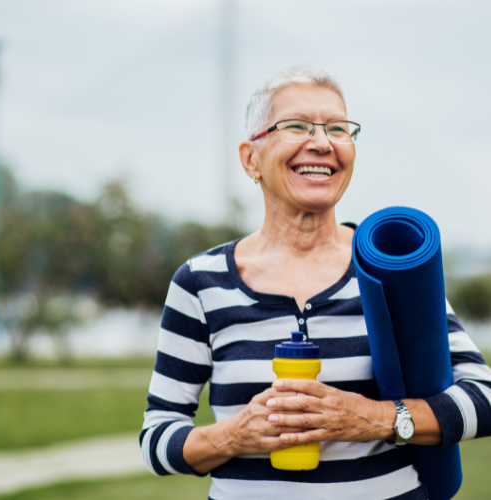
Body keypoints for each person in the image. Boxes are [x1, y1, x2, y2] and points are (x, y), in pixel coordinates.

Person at [139, 66, 491, 500]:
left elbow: (483, 399)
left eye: (338, 129)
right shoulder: (201, 283)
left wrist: (375, 418)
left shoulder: (385, 268)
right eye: (297, 126)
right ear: (251, 158)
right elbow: (157, 439)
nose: (322, 143)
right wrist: (234, 436)